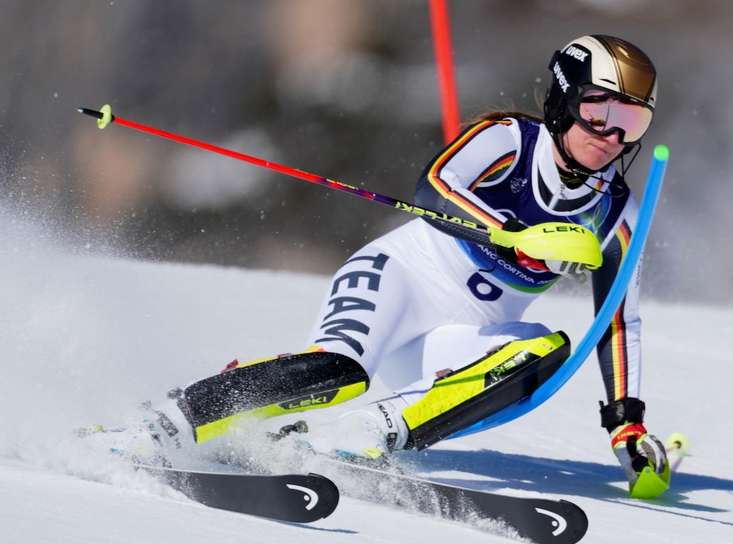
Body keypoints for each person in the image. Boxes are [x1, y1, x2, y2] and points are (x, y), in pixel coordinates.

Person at [125, 34, 670, 498]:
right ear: (563, 101)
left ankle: (370, 432)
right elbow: (435, 185)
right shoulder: (508, 139)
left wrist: (627, 423)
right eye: (599, 112)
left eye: (631, 119)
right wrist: (514, 240)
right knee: (340, 372)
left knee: (543, 350)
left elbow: (618, 319)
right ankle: (174, 419)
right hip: (398, 280)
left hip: (460, 340)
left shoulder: (614, 209)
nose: (612, 136)